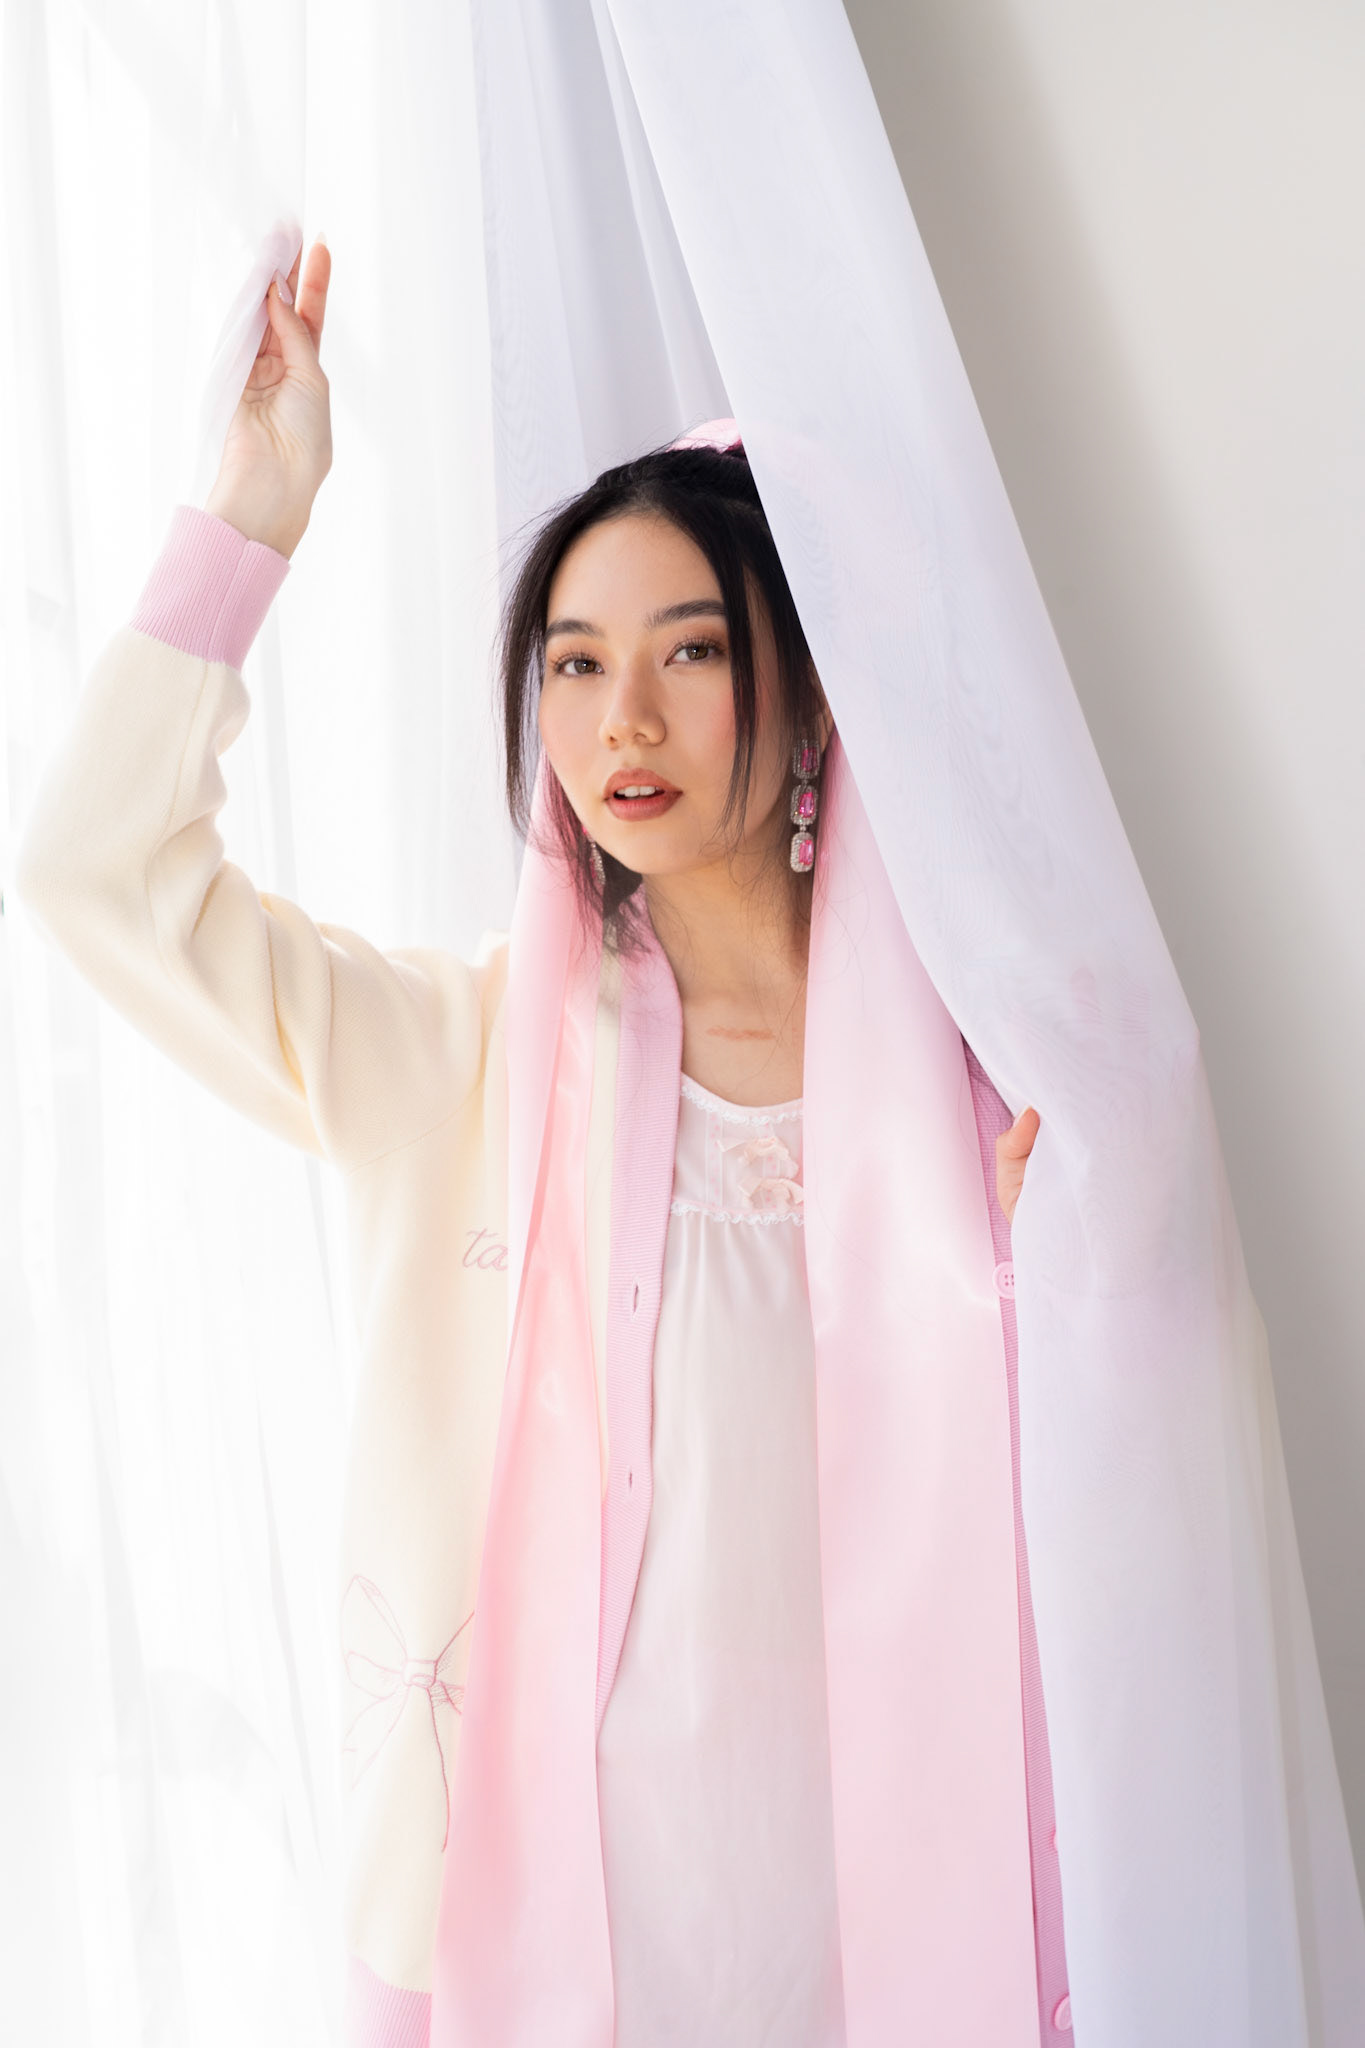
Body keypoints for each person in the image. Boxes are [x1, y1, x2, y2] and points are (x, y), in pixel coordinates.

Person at [16, 237, 1059, 2047]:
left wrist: (1046, 1278)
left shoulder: (990, 1104)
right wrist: (248, 520)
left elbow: (1099, 1548)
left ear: (815, 693)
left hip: (883, 1937)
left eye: (688, 651)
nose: (620, 720)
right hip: (536, 1947)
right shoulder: (462, 1066)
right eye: (572, 664)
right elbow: (94, 873)